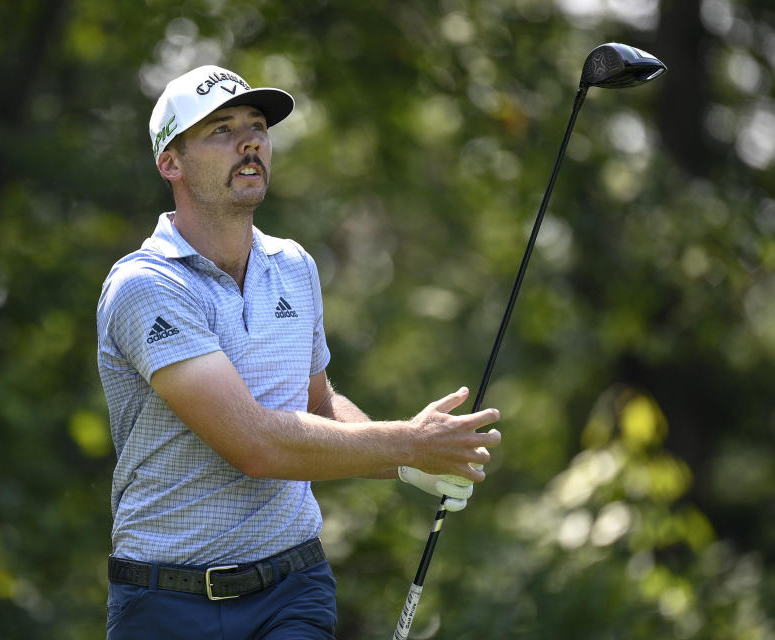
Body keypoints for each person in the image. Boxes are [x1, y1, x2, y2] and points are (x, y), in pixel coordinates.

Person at [96, 64, 503, 640]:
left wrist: (410, 463)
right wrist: (407, 444)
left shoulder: (293, 266)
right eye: (221, 129)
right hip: (166, 600)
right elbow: (254, 445)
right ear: (171, 162)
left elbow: (318, 401)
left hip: (293, 589)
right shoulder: (147, 286)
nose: (250, 141)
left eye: (257, 125)